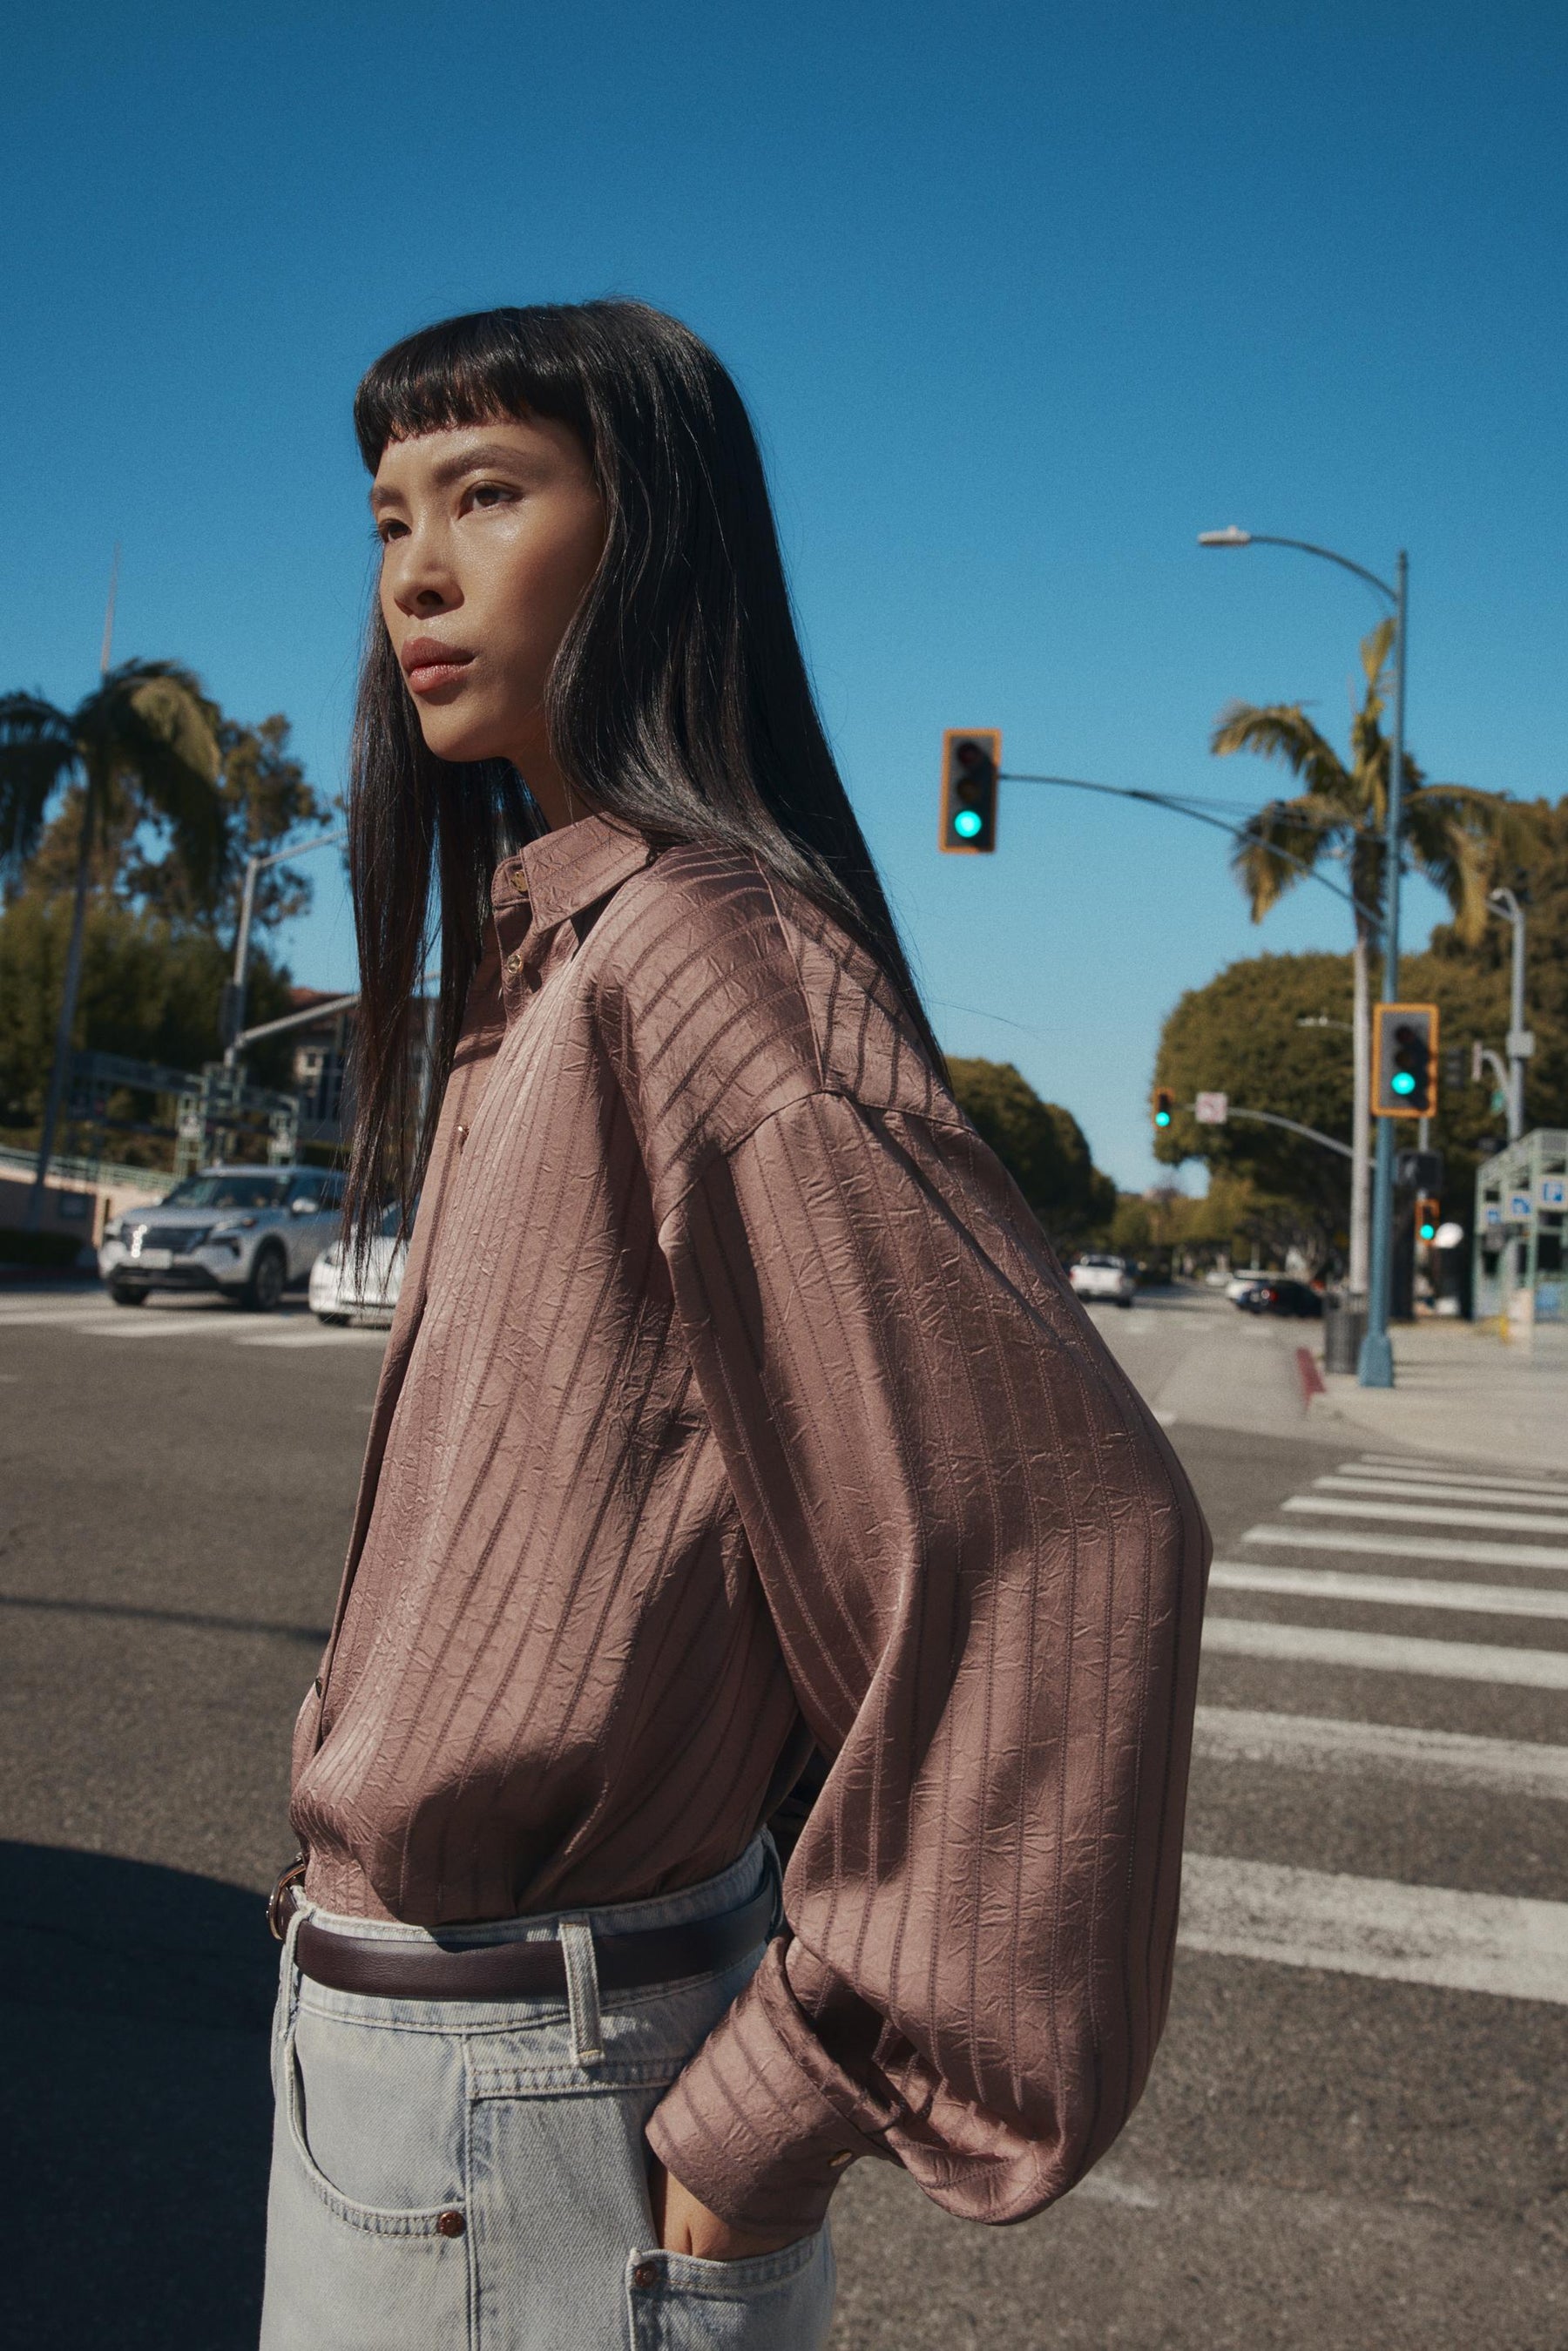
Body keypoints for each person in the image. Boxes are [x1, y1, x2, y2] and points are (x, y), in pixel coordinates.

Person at [260, 300, 1211, 2351]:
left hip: (537, 2116)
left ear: (650, 537)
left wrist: (777, 2102)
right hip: (422, 2078)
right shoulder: (556, 962)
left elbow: (1073, 1538)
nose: (416, 570)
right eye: (387, 517)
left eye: (490, 495)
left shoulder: (697, 963)